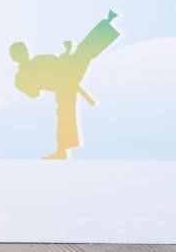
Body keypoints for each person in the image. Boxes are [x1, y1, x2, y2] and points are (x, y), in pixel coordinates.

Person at [10, 9, 121, 159]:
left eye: (25, 50)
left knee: (84, 51)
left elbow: (60, 61)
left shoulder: (38, 60)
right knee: (65, 115)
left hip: (70, 74)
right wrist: (39, 80)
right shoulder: (21, 77)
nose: (25, 53)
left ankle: (108, 22)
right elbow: (34, 94)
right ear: (15, 57)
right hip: (64, 86)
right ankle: (62, 150)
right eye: (21, 52)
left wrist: (68, 51)